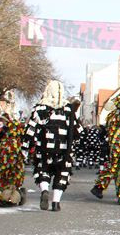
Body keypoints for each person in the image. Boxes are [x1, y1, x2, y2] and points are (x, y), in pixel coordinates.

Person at [22, 80, 81, 212]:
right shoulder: (68, 110)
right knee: (62, 173)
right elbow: (78, 130)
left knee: (43, 170)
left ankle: (44, 191)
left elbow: (30, 130)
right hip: (64, 149)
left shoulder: (40, 108)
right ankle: (56, 202)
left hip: (43, 148)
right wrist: (75, 146)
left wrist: (25, 147)